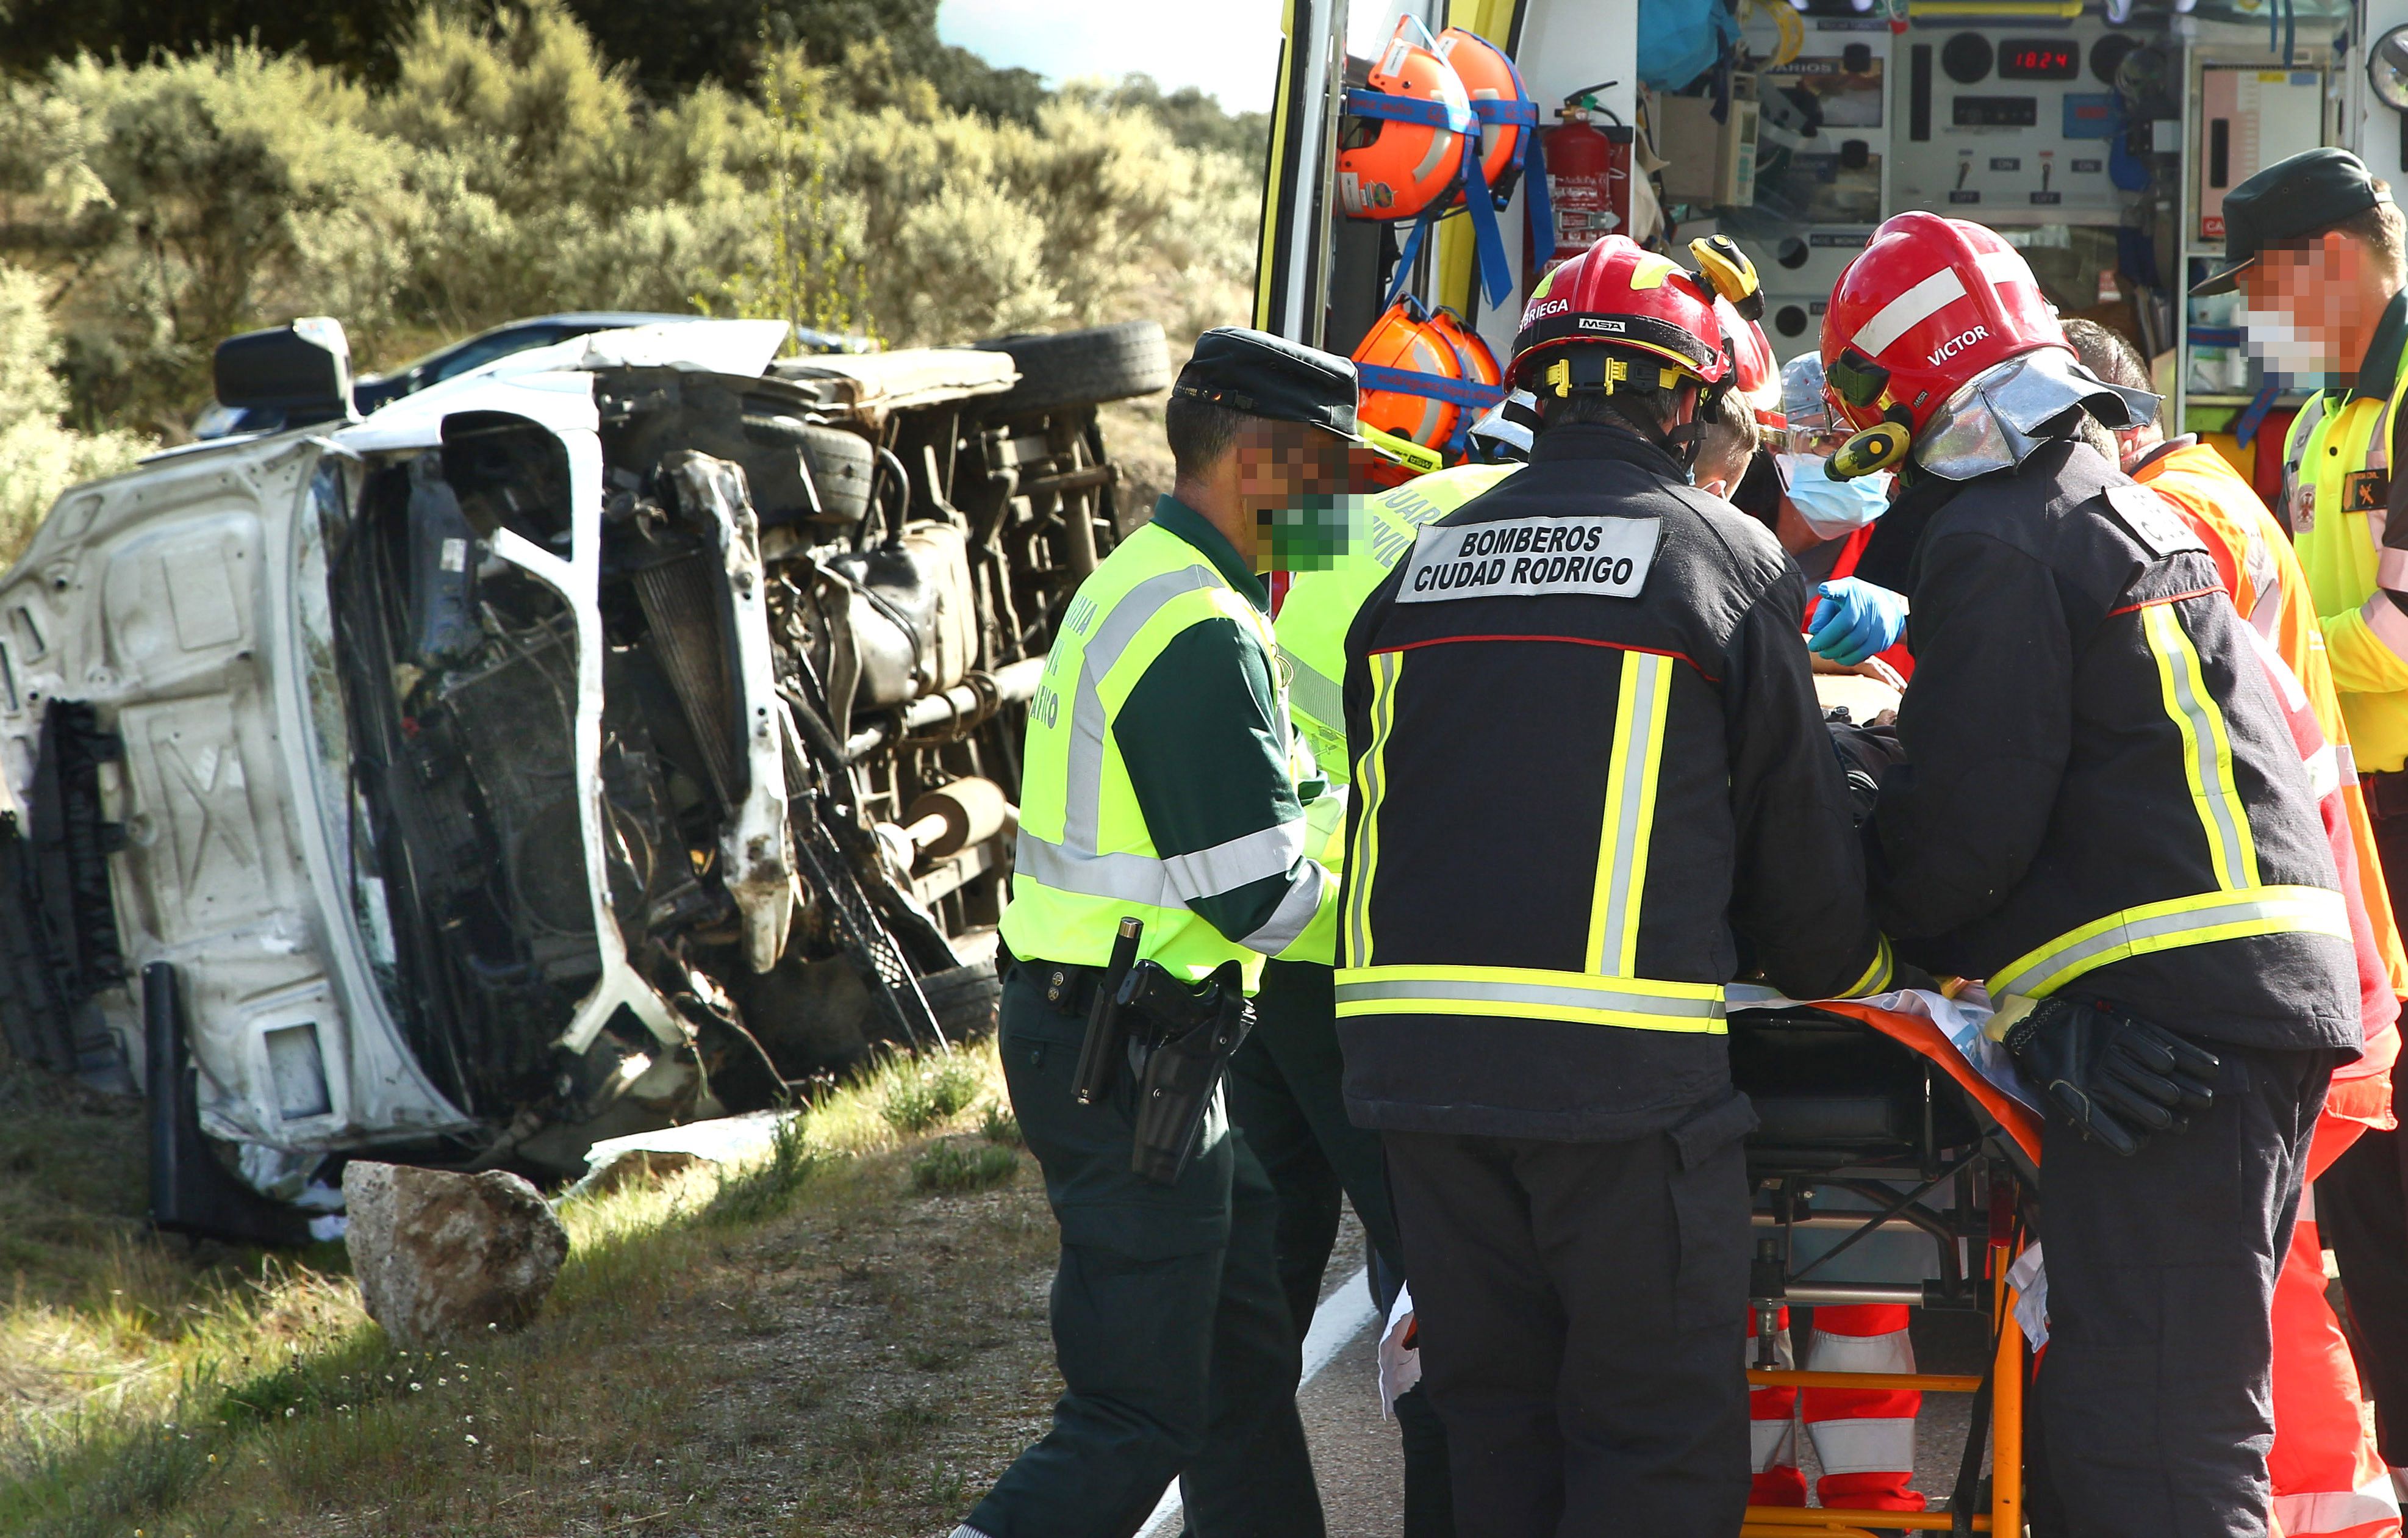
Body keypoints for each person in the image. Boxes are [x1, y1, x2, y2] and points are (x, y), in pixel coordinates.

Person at [1336, 232, 1895, 1537]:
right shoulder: (1723, 559)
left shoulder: (1415, 570)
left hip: (1415, 1079)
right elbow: (1803, 871)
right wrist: (1863, 973)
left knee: (1498, 1430)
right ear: (1694, 399)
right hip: (1613, 1085)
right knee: (1648, 1439)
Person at [1830, 211, 2361, 1538]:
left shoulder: (1997, 536)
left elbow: (1968, 832)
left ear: (1909, 388)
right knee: (2123, 1424)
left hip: (2174, 1031)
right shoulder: (2100, 498)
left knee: (2159, 1447)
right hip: (2224, 1003)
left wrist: (1854, 889)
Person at [959, 328, 1356, 1538]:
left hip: (1144, 1038)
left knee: (1238, 1377)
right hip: (1125, 1053)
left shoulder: (1171, 584)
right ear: (1260, 466)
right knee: (1136, 1417)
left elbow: (1269, 814)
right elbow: (1269, 901)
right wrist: (1406, 841)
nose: (1341, 507)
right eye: (1330, 476)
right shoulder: (1196, 626)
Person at [2066, 316, 2403, 1538]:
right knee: (2272, 1278)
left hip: (2285, 950)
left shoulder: (2167, 523)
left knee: (2259, 1296)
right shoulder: (2210, 489)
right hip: (2317, 938)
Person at [1234, 448, 1524, 1538]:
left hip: (1284, 941)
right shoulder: (1532, 540)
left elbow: (1271, 565)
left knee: (1249, 1306)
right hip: (1375, 942)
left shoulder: (1381, 512)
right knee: (1445, 1291)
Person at [2216, 146, 2408, 1503]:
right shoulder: (2331, 413)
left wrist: (2248, 663)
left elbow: (2400, 638)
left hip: (2395, 808)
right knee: (2367, 1164)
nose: (2256, 316)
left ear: (2333, 257)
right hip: (2352, 811)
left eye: (2265, 285)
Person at [1725, 354, 1913, 678]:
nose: (1852, 461)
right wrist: (1805, 652)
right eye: (1828, 440)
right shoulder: (1719, 543)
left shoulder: (1905, 571)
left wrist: (1911, 622)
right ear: (1777, 444)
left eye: (1870, 444)